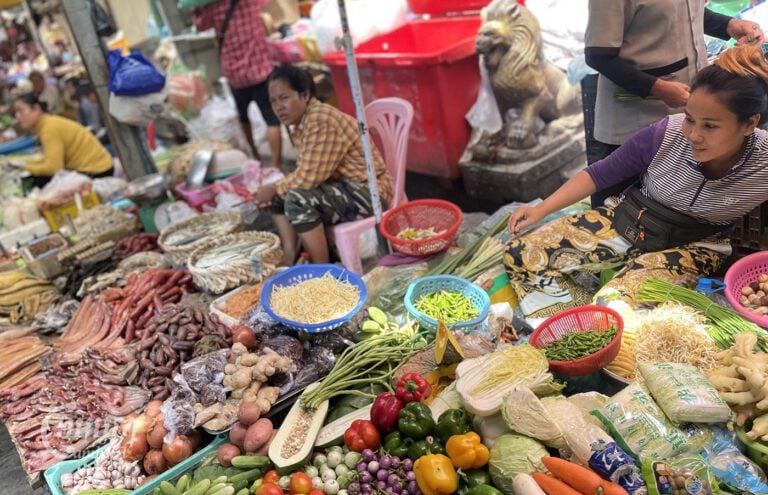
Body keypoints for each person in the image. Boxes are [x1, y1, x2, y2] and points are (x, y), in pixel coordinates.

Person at [503, 45, 768, 316]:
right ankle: (570, 324)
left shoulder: (764, 161)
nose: (694, 135)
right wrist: (542, 208)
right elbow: (599, 173)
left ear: (749, 124)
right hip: (633, 220)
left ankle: (598, 321)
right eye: (690, 119)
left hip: (696, 245)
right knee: (521, 253)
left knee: (613, 305)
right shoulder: (666, 133)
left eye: (710, 126)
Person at [584, 0, 764, 208]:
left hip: (685, 112)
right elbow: (598, 56)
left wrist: (728, 24)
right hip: (635, 115)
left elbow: (681, 11)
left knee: (669, 204)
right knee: (619, 205)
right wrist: (656, 87)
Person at [253, 65, 393, 265]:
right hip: (346, 189)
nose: (278, 107)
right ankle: (289, 258)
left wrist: (273, 187)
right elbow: (306, 173)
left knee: (297, 199)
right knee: (281, 197)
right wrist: (275, 190)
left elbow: (309, 178)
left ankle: (323, 271)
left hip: (369, 192)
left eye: (284, 98)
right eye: (273, 101)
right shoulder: (301, 124)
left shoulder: (321, 120)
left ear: (305, 94)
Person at [191, 0, 282, 166]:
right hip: (260, 68)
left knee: (243, 117)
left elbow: (200, 26)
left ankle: (255, 157)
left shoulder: (212, 5)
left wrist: (197, 8)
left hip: (235, 73)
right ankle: (276, 165)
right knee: (272, 119)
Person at [13, 94, 113, 188]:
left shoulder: (49, 129)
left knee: (39, 181)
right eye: (15, 112)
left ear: (36, 109)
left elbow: (53, 167)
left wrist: (27, 167)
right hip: (98, 167)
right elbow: (50, 159)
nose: (17, 116)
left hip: (96, 171)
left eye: (21, 111)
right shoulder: (47, 123)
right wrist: (25, 164)